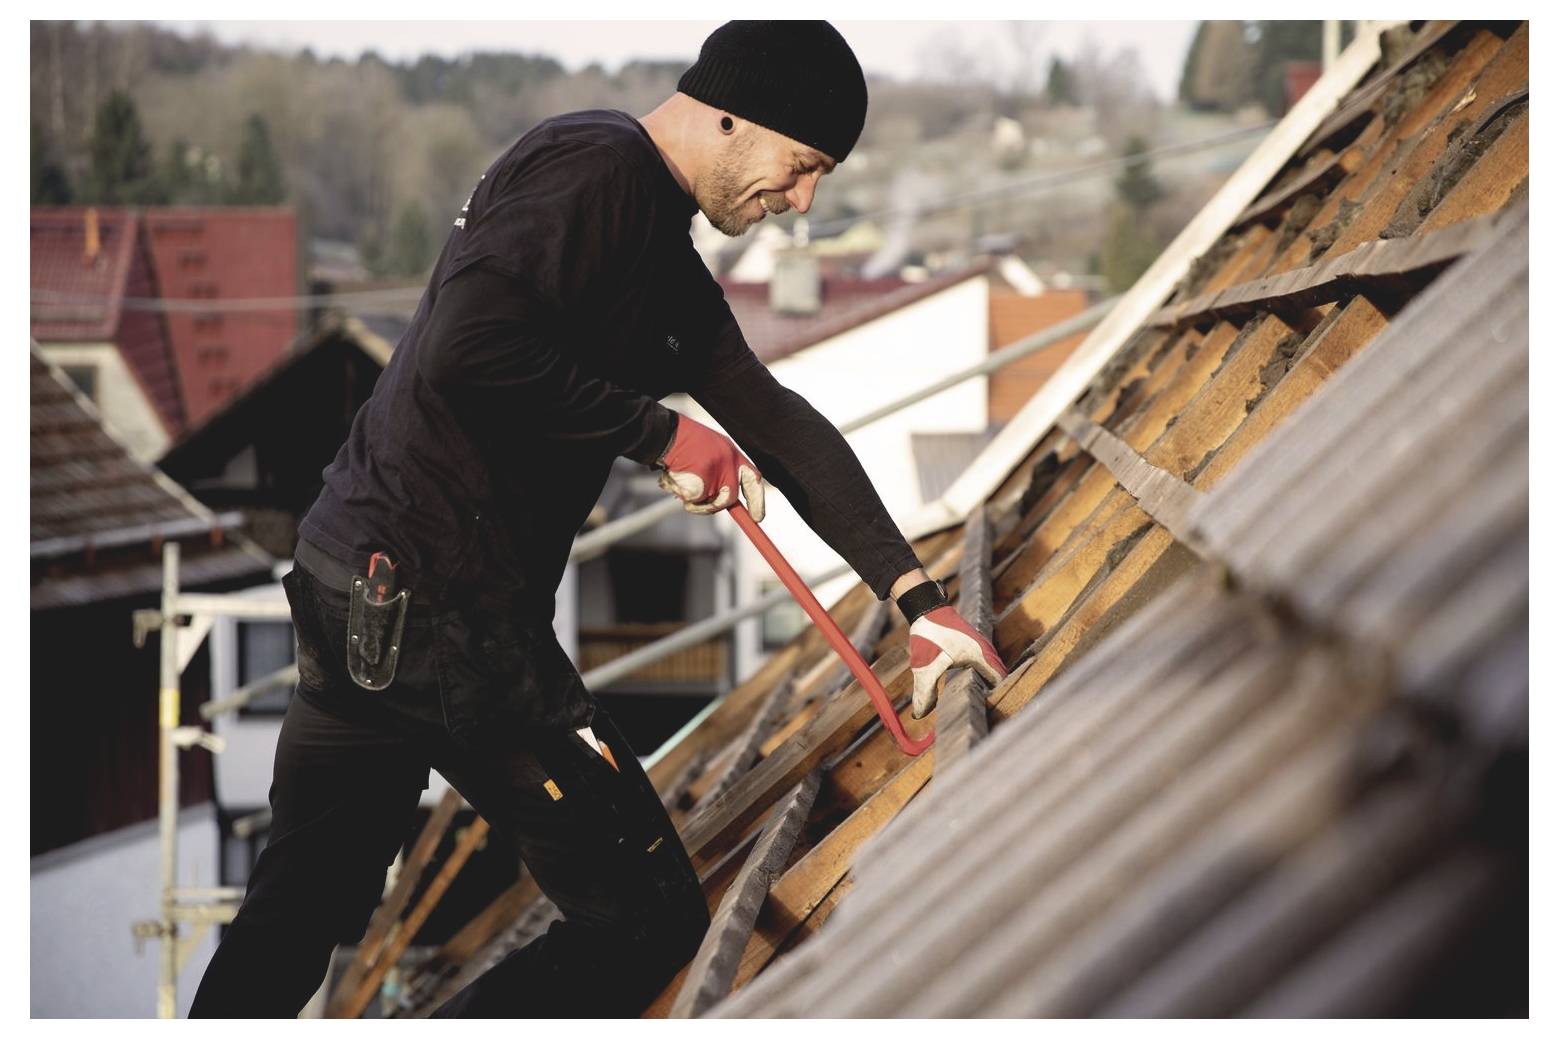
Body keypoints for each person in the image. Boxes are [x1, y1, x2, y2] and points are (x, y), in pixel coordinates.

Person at [189, 20, 1006, 1019]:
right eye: (800, 168)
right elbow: (463, 346)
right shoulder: (599, 170)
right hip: (442, 612)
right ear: (729, 117)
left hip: (357, 584)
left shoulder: (653, 244)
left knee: (295, 909)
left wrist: (914, 598)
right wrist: (658, 433)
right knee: (646, 922)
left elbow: (771, 419)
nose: (801, 203)